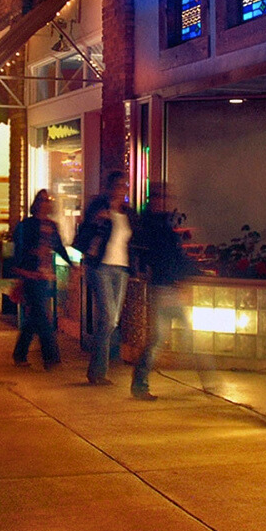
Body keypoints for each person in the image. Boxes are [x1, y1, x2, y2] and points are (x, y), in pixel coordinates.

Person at [131, 183, 193, 400]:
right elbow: (163, 257)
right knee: (163, 338)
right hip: (163, 286)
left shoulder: (156, 224)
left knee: (169, 337)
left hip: (166, 286)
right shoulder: (155, 226)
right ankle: (140, 382)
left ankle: (140, 382)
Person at [72, 170, 134, 385]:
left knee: (113, 319)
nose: (121, 189)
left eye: (124, 185)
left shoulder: (128, 213)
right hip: (101, 267)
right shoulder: (98, 208)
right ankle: (98, 372)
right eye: (117, 185)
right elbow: (83, 233)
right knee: (108, 318)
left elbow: (134, 241)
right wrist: (96, 220)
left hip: (122, 268)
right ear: (109, 187)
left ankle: (101, 366)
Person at [11, 190, 71, 369]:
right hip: (30, 275)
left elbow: (59, 246)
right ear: (36, 203)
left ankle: (20, 353)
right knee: (42, 317)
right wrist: (22, 269)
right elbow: (19, 249)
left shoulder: (51, 226)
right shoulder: (26, 225)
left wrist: (72, 264)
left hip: (45, 275)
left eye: (48, 200)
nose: (46, 203)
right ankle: (51, 358)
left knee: (34, 317)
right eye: (43, 200)